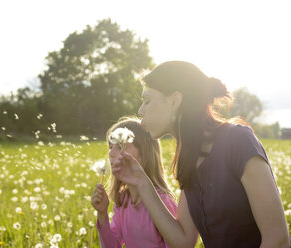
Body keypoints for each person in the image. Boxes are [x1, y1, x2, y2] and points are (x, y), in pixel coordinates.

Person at [112, 61, 290, 248]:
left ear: (174, 101)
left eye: (147, 101)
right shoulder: (187, 158)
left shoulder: (238, 141)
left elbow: (277, 240)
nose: (140, 111)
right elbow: (183, 240)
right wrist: (141, 182)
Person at [91, 116, 177, 248]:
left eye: (120, 147)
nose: (111, 153)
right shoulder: (123, 201)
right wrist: (102, 214)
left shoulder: (163, 202)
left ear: (143, 156)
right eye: (110, 146)